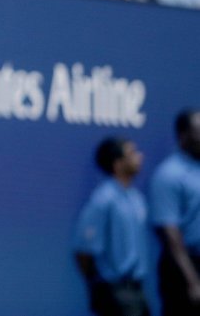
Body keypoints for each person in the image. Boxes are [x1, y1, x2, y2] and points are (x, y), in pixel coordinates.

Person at [73, 137, 151, 316]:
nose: (139, 156)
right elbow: (84, 252)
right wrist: (99, 287)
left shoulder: (136, 197)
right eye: (132, 153)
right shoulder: (103, 200)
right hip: (115, 291)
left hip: (138, 288)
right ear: (117, 164)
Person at [149, 108, 200, 316]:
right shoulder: (169, 174)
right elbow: (171, 236)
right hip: (184, 267)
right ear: (183, 136)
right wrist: (193, 281)